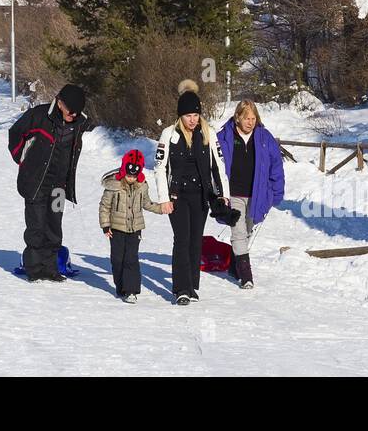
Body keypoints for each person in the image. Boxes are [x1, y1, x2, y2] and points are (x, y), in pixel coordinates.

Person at [152, 80, 231, 305]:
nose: (193, 120)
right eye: (188, 116)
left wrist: (222, 193)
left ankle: (192, 285)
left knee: (196, 241)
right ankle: (181, 289)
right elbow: (159, 167)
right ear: (180, 116)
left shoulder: (208, 134)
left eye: (196, 115)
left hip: (201, 196)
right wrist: (164, 199)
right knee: (182, 239)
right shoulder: (168, 134)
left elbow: (218, 165)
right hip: (177, 196)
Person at [7, 83, 94, 283]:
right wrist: (22, 159)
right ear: (60, 103)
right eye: (71, 111)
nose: (74, 115)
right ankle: (34, 269)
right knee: (36, 227)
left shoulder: (79, 123)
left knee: (54, 227)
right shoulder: (40, 116)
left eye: (77, 112)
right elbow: (15, 133)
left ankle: (51, 268)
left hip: (59, 185)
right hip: (36, 182)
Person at [217, 100, 286, 289]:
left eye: (253, 118)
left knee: (247, 231)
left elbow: (276, 166)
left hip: (256, 194)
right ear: (237, 117)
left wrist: (275, 192)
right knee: (238, 232)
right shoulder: (224, 137)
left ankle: (234, 266)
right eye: (247, 118)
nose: (250, 122)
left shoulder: (264, 137)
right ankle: (246, 275)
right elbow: (214, 165)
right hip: (233, 194)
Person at [99, 148, 169, 304]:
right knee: (117, 259)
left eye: (134, 176)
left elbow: (146, 203)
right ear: (124, 170)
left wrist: (161, 208)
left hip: (134, 229)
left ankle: (131, 290)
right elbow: (104, 206)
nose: (131, 179)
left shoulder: (142, 186)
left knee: (131, 258)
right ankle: (121, 286)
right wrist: (105, 225)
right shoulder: (113, 186)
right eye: (129, 175)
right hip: (116, 229)